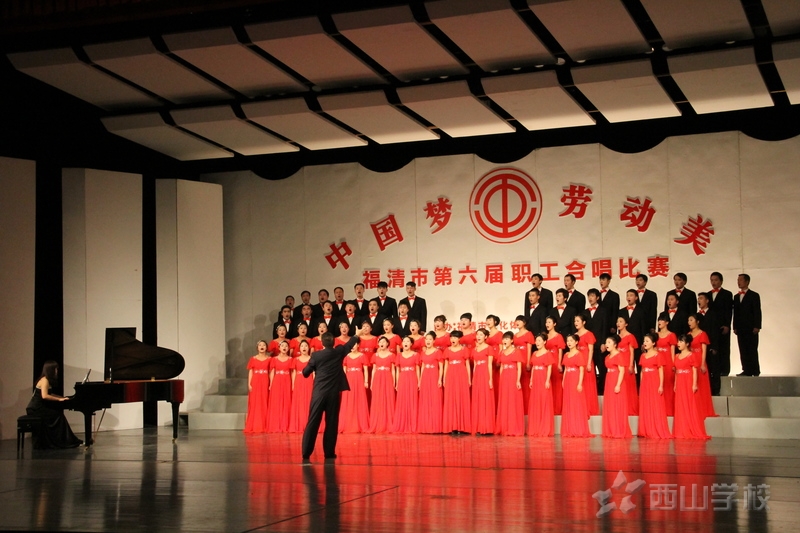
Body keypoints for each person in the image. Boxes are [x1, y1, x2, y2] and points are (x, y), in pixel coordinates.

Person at [301, 327, 361, 462]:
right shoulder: (338, 352)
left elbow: (305, 373)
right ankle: (329, 453)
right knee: (332, 423)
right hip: (333, 394)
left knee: (313, 421)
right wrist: (356, 335)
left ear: (322, 343)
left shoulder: (316, 355)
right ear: (334, 342)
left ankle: (306, 452)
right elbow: (349, 345)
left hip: (319, 393)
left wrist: (309, 368)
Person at [26, 360, 82, 448]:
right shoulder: (45, 380)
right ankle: (63, 441)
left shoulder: (46, 380)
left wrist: (62, 397)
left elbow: (50, 394)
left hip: (38, 407)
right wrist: (59, 400)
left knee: (58, 414)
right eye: (55, 369)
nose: (57, 371)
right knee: (58, 415)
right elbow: (45, 396)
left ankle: (64, 440)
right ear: (51, 370)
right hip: (35, 408)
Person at [672, 334, 710, 439]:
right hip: (680, 383)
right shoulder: (676, 356)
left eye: (681, 342)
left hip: (688, 382)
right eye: (678, 341)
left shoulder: (691, 355)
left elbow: (694, 371)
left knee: (689, 404)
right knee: (681, 405)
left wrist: (694, 384)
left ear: (687, 344)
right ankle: (682, 429)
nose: (678, 344)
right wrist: (675, 384)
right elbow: (676, 372)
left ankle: (690, 427)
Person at [637, 333, 672, 439]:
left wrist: (660, 385)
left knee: (655, 404)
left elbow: (661, 371)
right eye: (644, 341)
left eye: (647, 341)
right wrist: (641, 384)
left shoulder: (658, 355)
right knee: (646, 405)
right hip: (645, 383)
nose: (645, 343)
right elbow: (642, 371)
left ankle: (655, 429)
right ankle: (646, 429)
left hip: (654, 382)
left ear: (653, 343)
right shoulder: (643, 356)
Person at [560, 334, 592, 438]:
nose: (569, 342)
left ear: (576, 342)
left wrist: (579, 383)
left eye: (571, 341)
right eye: (568, 341)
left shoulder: (579, 354)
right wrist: (563, 380)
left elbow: (582, 370)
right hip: (568, 379)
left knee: (576, 403)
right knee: (568, 402)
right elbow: (565, 369)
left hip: (575, 379)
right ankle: (569, 428)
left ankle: (577, 428)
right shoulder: (566, 355)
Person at [601, 335, 632, 439]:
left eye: (609, 342)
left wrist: (618, 385)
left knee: (617, 405)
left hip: (616, 380)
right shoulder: (607, 356)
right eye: (606, 342)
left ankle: (618, 429)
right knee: (610, 405)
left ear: (615, 344)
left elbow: (622, 371)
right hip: (609, 380)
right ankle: (610, 429)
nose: (607, 344)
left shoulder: (619, 355)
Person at [495, 331, 524, 436]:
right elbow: (501, 367)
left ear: (512, 340)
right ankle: (504, 427)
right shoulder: (502, 352)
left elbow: (519, 367)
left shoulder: (516, 351)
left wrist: (518, 380)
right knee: (504, 401)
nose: (505, 341)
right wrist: (501, 379)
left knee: (512, 400)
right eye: (504, 339)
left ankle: (513, 427)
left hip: (513, 377)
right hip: (504, 378)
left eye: (507, 339)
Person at [442, 330, 471, 434]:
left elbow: (467, 365)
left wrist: (469, 378)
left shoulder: (464, 350)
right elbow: (446, 365)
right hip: (450, 375)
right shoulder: (447, 350)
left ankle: (462, 427)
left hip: (461, 375)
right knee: (451, 399)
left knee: (461, 398)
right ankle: (452, 426)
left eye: (455, 337)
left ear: (459, 339)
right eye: (451, 338)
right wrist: (444, 378)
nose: (452, 339)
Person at [688, 314, 716, 419]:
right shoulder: (688, 335)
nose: (689, 322)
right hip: (691, 362)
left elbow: (704, 350)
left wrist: (703, 363)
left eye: (691, 320)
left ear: (697, 322)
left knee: (702, 386)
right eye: (688, 320)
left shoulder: (702, 334)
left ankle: (704, 409)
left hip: (700, 361)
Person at [733, 273, 762, 376]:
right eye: (738, 280)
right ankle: (746, 369)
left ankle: (755, 370)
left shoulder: (754, 295)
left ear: (747, 282)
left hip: (751, 327)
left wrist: (757, 326)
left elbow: (757, 311)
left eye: (740, 280)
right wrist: (735, 326)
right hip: (740, 328)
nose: (738, 282)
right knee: (743, 349)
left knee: (752, 349)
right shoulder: (736, 297)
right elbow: (735, 313)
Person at [339, 341, 370, 433]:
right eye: (351, 345)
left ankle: (360, 424)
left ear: (358, 345)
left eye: (354, 344)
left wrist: (366, 381)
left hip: (359, 379)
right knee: (348, 399)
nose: (353, 346)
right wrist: (343, 382)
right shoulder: (346, 356)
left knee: (359, 399)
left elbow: (365, 370)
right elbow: (344, 371)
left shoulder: (362, 356)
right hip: (348, 379)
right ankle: (347, 424)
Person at [527, 333, 555, 437]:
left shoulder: (548, 354)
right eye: (536, 340)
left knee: (544, 401)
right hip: (535, 380)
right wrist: (531, 380)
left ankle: (544, 428)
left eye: (539, 340)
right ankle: (536, 427)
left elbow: (549, 368)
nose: (537, 342)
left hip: (543, 379)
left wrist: (547, 380)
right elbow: (533, 368)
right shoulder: (534, 353)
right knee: (536, 402)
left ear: (544, 342)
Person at [392, 337, 421, 433]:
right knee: (402, 400)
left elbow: (417, 369)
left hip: (412, 378)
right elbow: (397, 370)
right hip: (402, 379)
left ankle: (413, 424)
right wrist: (396, 383)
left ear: (411, 344)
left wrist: (419, 381)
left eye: (408, 341)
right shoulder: (399, 355)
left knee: (412, 399)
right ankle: (402, 423)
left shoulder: (416, 355)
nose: (405, 343)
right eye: (404, 341)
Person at [368, 336, 396, 434]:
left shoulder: (392, 355)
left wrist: (394, 382)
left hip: (387, 378)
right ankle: (377, 423)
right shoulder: (375, 355)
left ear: (387, 344)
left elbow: (393, 370)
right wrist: (371, 383)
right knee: (377, 399)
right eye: (380, 342)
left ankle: (388, 423)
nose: (382, 343)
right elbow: (374, 370)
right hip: (377, 378)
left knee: (388, 399)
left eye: (384, 342)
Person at [471, 329, 496, 435]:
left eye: (481, 335)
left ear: (486, 337)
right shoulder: (475, 349)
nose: (478, 336)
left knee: (486, 399)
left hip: (485, 374)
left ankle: (487, 427)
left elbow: (489, 364)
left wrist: (490, 379)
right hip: (477, 375)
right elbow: (475, 365)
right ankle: (478, 427)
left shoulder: (489, 348)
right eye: (477, 335)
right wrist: (473, 378)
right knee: (478, 399)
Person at [418, 332, 444, 434]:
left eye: (430, 339)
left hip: (434, 376)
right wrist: (420, 380)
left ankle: (435, 426)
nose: (428, 341)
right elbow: (423, 367)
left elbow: (441, 367)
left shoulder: (438, 352)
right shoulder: (423, 353)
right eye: (426, 339)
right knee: (425, 400)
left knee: (434, 399)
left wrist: (440, 379)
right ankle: (426, 426)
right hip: (425, 377)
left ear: (434, 341)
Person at [709, 271, 733, 378]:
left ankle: (725, 370)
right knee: (713, 348)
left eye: (716, 280)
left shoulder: (727, 294)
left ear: (721, 281)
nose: (713, 282)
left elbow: (729, 311)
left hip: (723, 326)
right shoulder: (708, 294)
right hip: (712, 327)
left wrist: (727, 325)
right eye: (712, 280)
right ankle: (714, 370)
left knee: (724, 348)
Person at [697, 292, 721, 395]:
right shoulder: (697, 315)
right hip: (700, 347)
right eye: (698, 299)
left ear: (707, 301)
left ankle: (715, 391)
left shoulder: (713, 314)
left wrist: (714, 346)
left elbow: (715, 331)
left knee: (713, 369)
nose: (699, 300)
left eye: (701, 298)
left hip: (710, 346)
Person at [574, 313, 599, 416]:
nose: (576, 323)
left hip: (586, 361)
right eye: (575, 321)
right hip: (578, 362)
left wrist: (589, 363)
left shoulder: (589, 334)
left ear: (583, 322)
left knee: (588, 384)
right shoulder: (575, 335)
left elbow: (591, 350)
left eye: (578, 321)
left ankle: (589, 408)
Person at [244, 341, 271, 433]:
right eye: (260, 345)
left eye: (264, 345)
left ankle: (264, 424)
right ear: (257, 347)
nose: (262, 346)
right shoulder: (253, 359)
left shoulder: (269, 359)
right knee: (255, 402)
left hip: (265, 380)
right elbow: (251, 371)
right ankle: (255, 424)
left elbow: (270, 372)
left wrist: (270, 383)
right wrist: (249, 383)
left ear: (266, 347)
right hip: (255, 381)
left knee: (264, 401)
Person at [288, 340, 315, 433]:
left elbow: (314, 372)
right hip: (299, 382)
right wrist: (293, 384)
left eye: (306, 346)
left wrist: (314, 383)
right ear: (299, 348)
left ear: (309, 348)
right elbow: (294, 373)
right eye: (302, 346)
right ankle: (299, 424)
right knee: (299, 402)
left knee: (308, 401)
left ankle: (309, 425)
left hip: (309, 381)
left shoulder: (312, 359)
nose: (304, 348)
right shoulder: (295, 359)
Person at [585, 289, 608, 393]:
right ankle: (592, 389)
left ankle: (602, 389)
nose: (590, 298)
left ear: (598, 297)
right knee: (590, 368)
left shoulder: (603, 311)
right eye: (589, 296)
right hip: (588, 346)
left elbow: (605, 328)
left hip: (599, 344)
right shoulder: (585, 312)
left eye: (592, 296)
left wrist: (603, 342)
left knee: (602, 368)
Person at [267, 341, 293, 433]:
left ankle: (285, 424)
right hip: (277, 381)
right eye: (282, 346)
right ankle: (276, 424)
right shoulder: (274, 359)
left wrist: (292, 384)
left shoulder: (291, 359)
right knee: (276, 402)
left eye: (286, 346)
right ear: (279, 348)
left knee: (286, 401)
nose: (284, 347)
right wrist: (271, 384)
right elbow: (272, 372)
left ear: (288, 348)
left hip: (287, 380)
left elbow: (292, 373)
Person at [616, 315, 639, 416]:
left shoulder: (630, 336)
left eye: (621, 321)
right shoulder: (616, 337)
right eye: (617, 322)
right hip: (618, 365)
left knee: (628, 387)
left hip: (627, 364)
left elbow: (631, 352)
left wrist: (631, 365)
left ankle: (630, 408)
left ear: (626, 324)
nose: (618, 323)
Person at [656, 313, 678, 417]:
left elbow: (672, 351)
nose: (659, 322)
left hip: (668, 363)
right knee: (659, 386)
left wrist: (673, 364)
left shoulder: (671, 335)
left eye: (662, 320)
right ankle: (660, 410)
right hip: (658, 364)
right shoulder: (656, 335)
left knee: (668, 387)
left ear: (667, 322)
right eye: (659, 320)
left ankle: (669, 410)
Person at [513, 315, 535, 415]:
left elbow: (529, 349)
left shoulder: (528, 334)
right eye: (516, 321)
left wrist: (528, 362)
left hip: (525, 360)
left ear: (524, 323)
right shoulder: (515, 335)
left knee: (526, 385)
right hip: (516, 362)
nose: (517, 322)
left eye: (519, 321)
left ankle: (527, 409)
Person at [544, 316, 565, 415]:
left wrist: (559, 363)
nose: (547, 324)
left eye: (549, 322)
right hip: (546, 363)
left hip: (555, 361)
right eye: (546, 322)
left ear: (554, 324)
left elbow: (560, 350)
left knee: (556, 385)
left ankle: (557, 408)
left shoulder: (558, 336)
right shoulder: (544, 336)